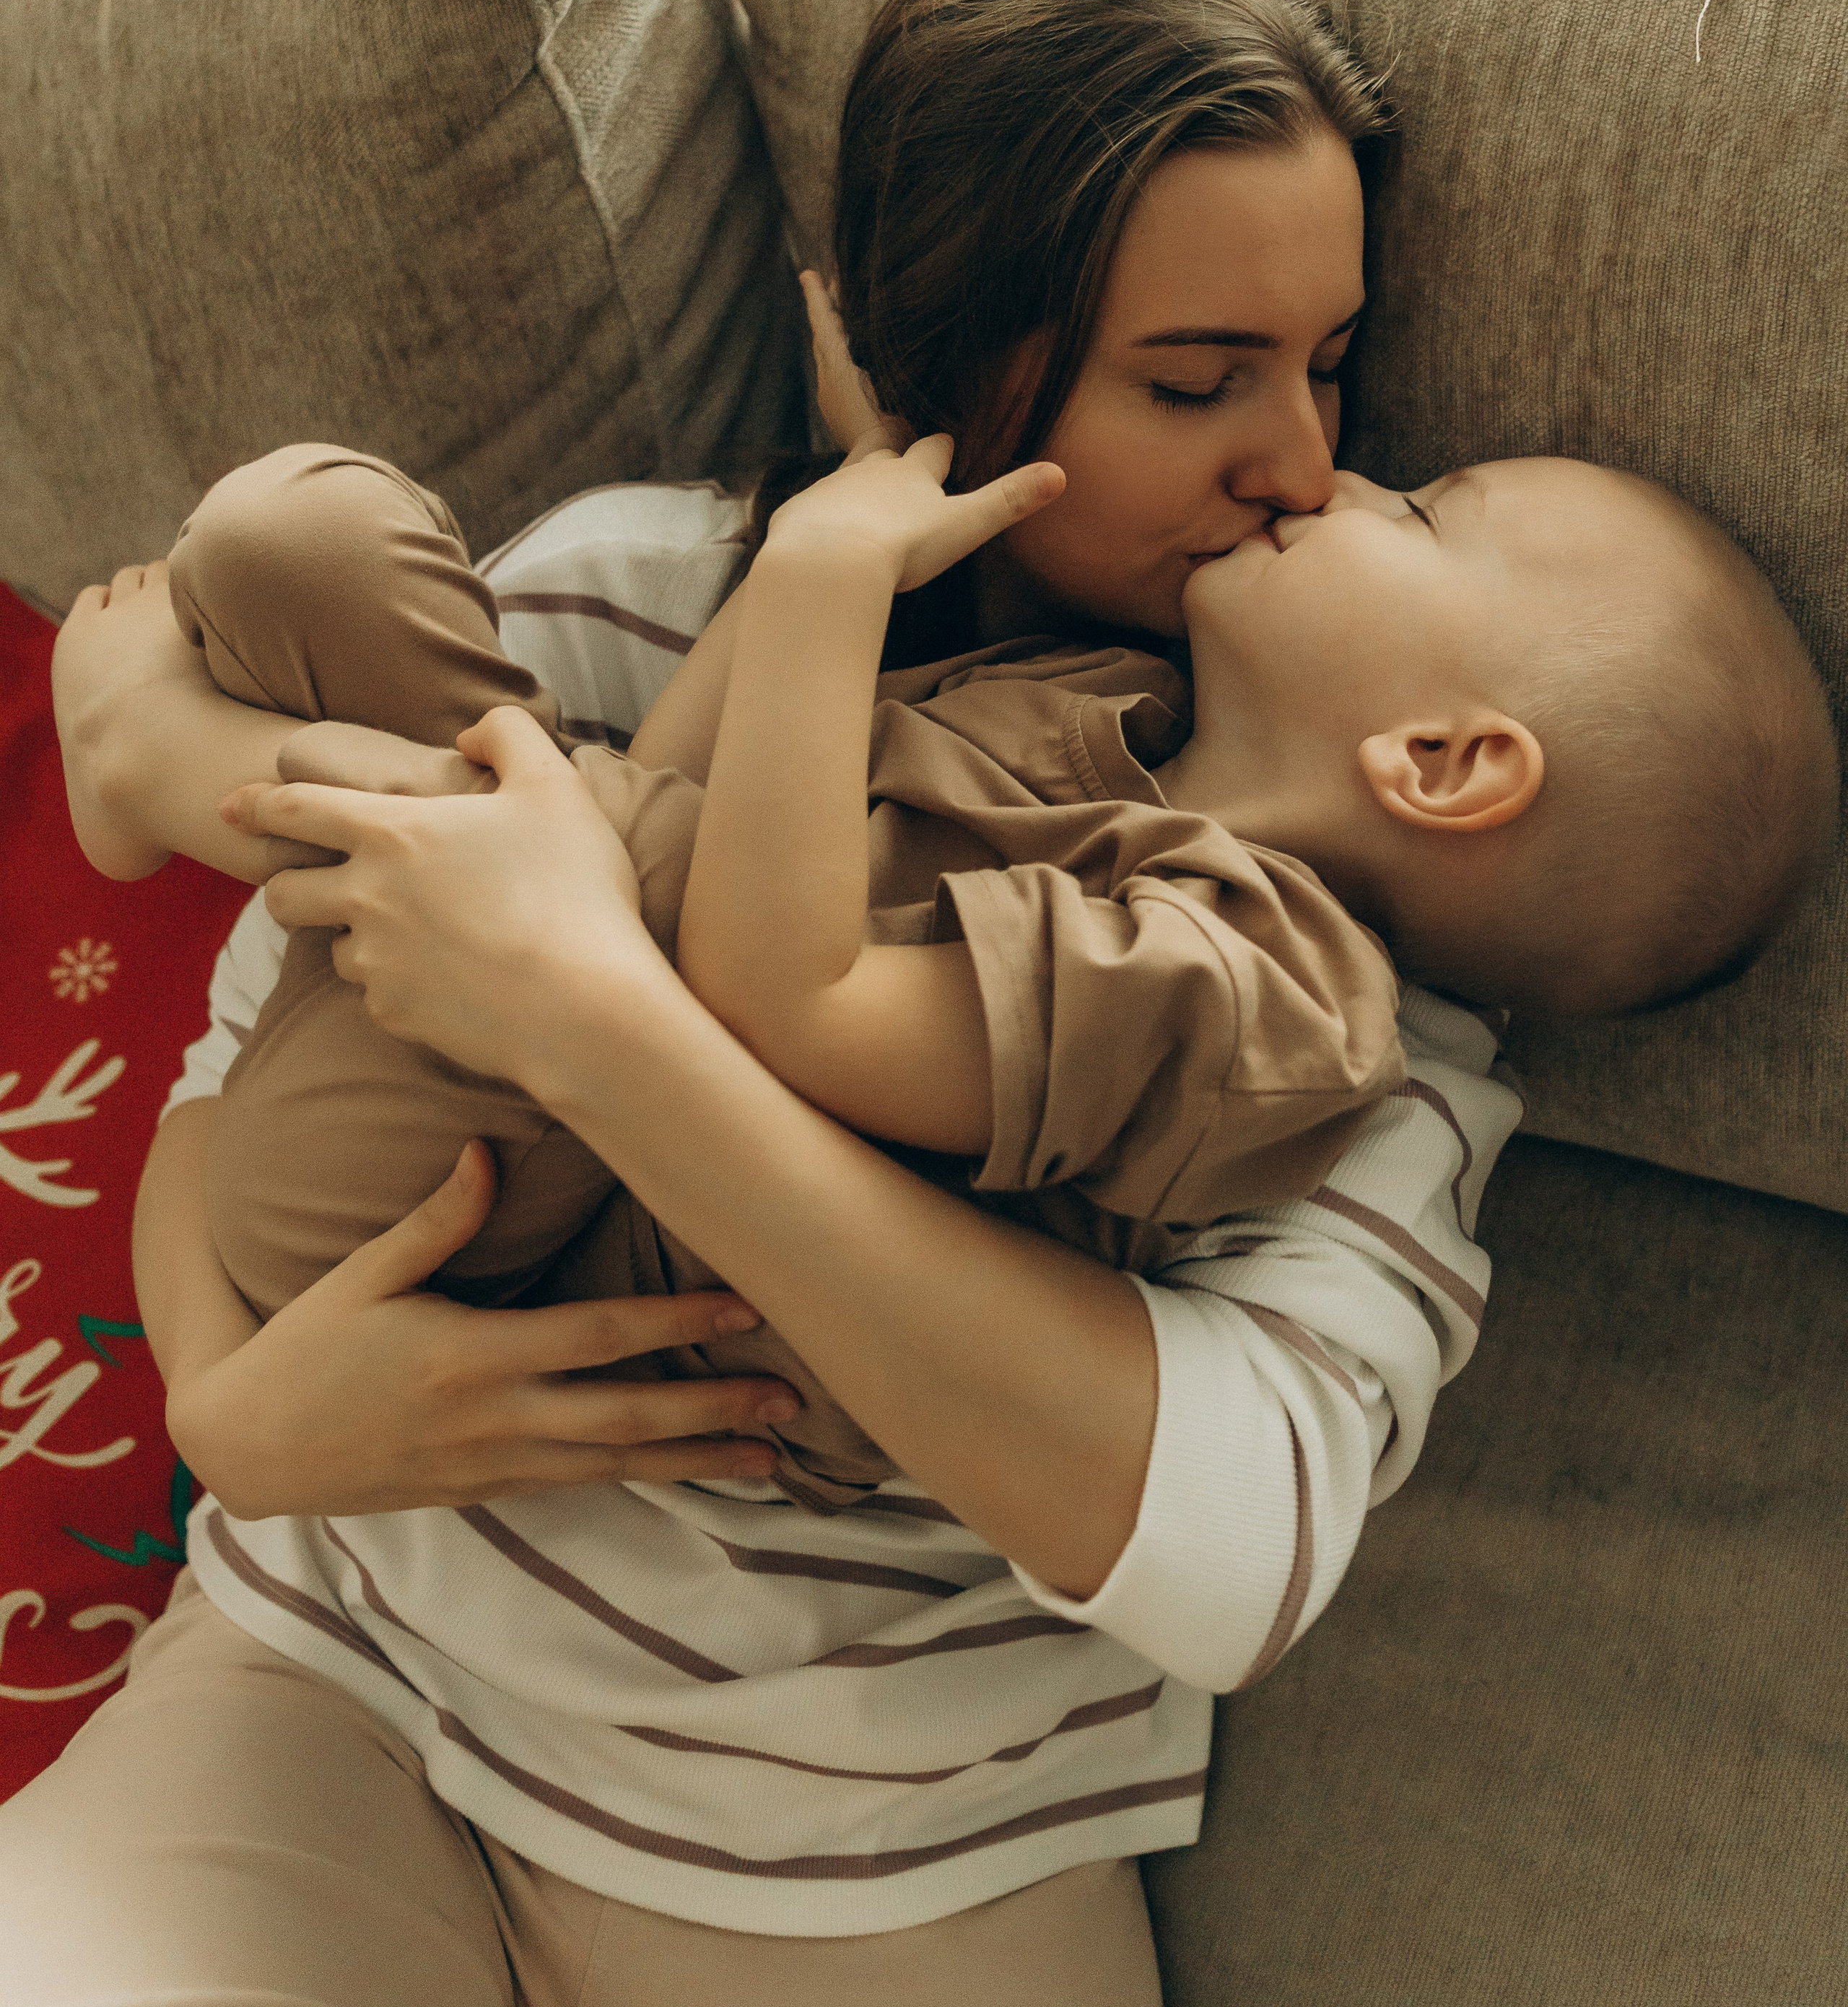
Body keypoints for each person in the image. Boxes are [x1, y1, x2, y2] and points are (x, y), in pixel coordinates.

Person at [0, 0, 1671, 2007]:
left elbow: (1232, 1543)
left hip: (881, 1852)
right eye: (1194, 380)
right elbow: (249, 1073)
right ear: (957, 363)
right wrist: (234, 1413)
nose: (1302, 465)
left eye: (1331, 367)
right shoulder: (623, 600)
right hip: (334, 1674)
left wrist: (593, 1019)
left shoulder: (1322, 947)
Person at [48, 370, 1833, 1518]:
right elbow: (681, 805)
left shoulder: (1266, 999)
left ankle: (163, 764)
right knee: (305, 533)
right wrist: (847, 501)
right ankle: (163, 764)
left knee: (485, 763)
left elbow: (779, 995)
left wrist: (828, 581)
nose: (1337, 476)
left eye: (1420, 512)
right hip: (459, 1085)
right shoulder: (1102, 703)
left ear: (1441, 761)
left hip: (458, 1224)